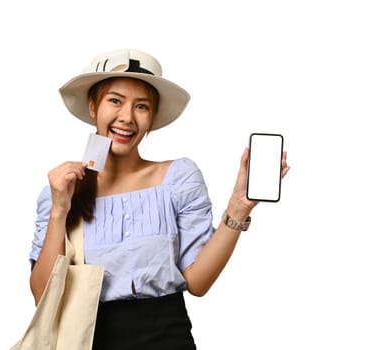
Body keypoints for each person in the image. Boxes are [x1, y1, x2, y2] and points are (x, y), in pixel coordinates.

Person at [28, 48, 290, 349]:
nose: (126, 117)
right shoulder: (62, 189)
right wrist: (60, 209)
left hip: (168, 338)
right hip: (87, 340)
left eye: (142, 106)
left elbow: (198, 282)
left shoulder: (178, 179)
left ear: (152, 118)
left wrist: (238, 208)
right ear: (92, 106)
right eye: (115, 100)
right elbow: (42, 297)